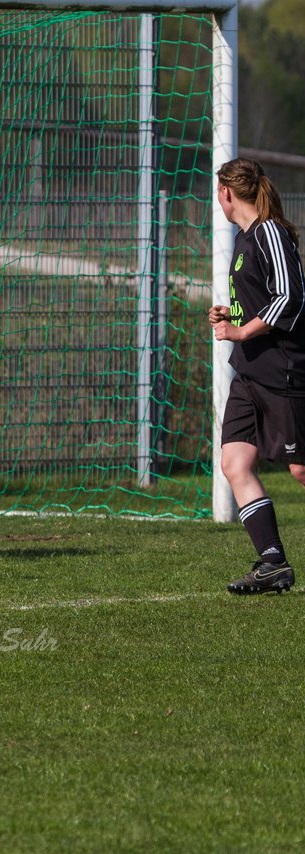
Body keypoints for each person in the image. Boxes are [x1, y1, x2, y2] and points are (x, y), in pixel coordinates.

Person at [209, 156, 305, 595]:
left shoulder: (270, 232)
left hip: (281, 372)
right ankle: (272, 563)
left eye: (217, 192)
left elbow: (290, 297)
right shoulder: (246, 237)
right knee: (234, 462)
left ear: (227, 193)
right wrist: (232, 312)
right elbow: (264, 296)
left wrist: (241, 330)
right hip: (248, 374)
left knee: (301, 469)